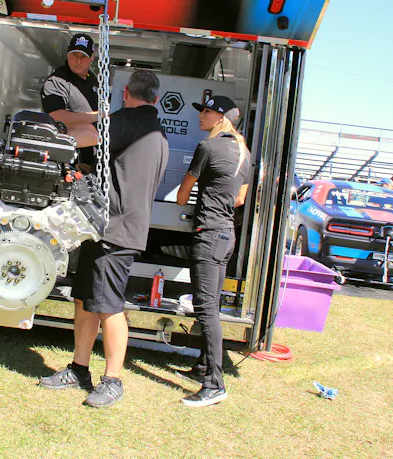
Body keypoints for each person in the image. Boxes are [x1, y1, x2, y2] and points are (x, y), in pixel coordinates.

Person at [39, 70, 169, 407]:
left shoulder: (131, 119)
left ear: (125, 93)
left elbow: (85, 136)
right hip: (105, 229)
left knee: (110, 309)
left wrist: (50, 132)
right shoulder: (156, 132)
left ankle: (113, 381)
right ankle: (79, 369)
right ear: (155, 98)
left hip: (116, 231)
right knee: (85, 301)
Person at [176, 95, 251, 407]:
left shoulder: (207, 147)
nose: (201, 115)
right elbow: (240, 199)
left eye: (206, 111)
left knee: (205, 308)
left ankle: (215, 384)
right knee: (212, 305)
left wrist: (194, 196)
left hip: (208, 234)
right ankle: (204, 366)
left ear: (222, 118)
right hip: (226, 234)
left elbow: (182, 195)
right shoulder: (244, 152)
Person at [41, 33, 100, 173]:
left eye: (83, 56)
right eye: (74, 55)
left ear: (92, 57)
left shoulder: (92, 79)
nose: (78, 61)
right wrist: (97, 116)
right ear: (68, 54)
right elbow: (56, 117)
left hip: (92, 162)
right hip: (67, 161)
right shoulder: (57, 80)